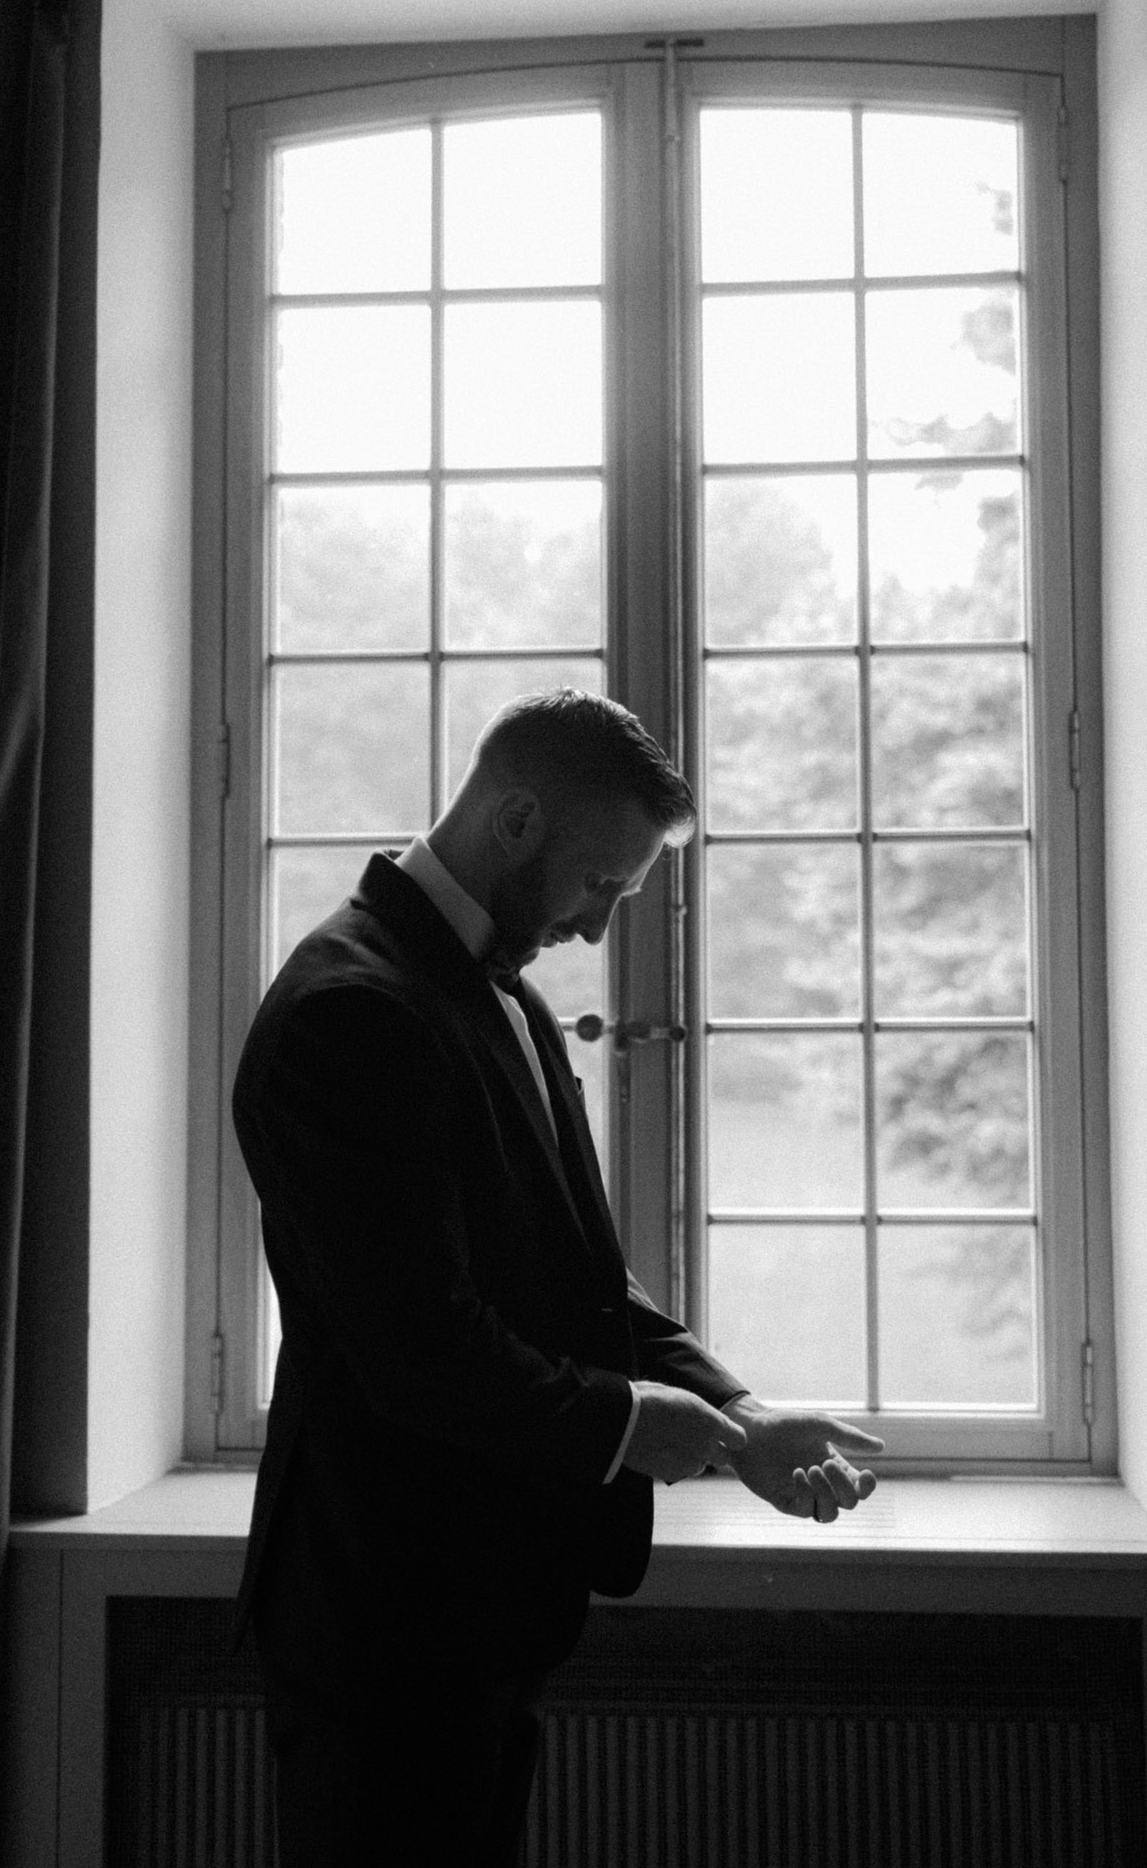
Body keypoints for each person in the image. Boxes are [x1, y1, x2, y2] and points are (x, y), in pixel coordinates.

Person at [233, 688, 884, 1865]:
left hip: (482, 1608)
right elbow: (421, 1350)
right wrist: (630, 1420)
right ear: (516, 818)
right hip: (382, 1620)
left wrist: (739, 1415)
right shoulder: (351, 1010)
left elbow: (575, 1276)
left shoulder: (499, 990)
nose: (596, 928)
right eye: (600, 883)